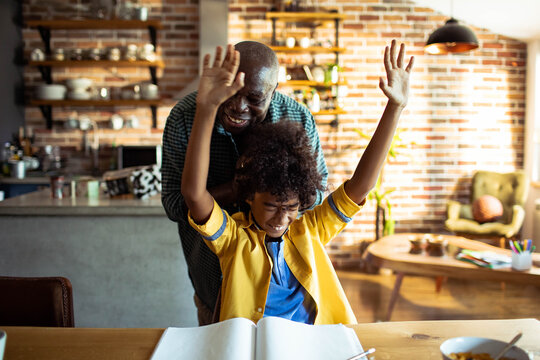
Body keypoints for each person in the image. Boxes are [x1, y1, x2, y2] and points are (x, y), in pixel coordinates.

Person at [181, 40, 414, 324]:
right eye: (270, 205)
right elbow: (194, 194)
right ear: (249, 196)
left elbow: (361, 186)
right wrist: (207, 109)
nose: (282, 218)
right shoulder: (235, 240)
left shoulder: (310, 230)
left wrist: (395, 107)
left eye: (291, 207)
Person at [161, 41, 328, 325]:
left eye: (254, 98)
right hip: (213, 287)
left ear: (273, 92)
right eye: (232, 92)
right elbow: (176, 205)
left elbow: (316, 196)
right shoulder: (186, 118)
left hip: (286, 295)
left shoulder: (298, 117)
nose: (238, 107)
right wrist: (238, 189)